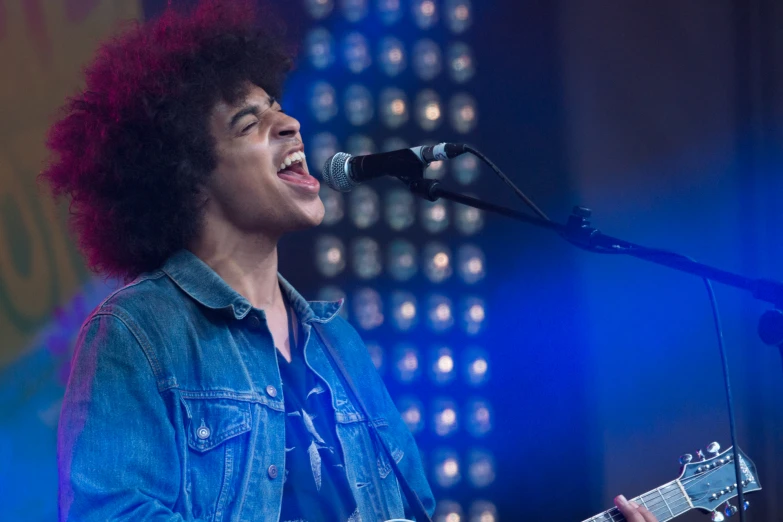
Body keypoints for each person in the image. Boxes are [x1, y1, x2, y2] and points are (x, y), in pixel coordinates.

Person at [42, 1, 658, 521]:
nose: (291, 124)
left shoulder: (340, 346)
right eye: (249, 123)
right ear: (188, 178)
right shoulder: (138, 333)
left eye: (279, 108)